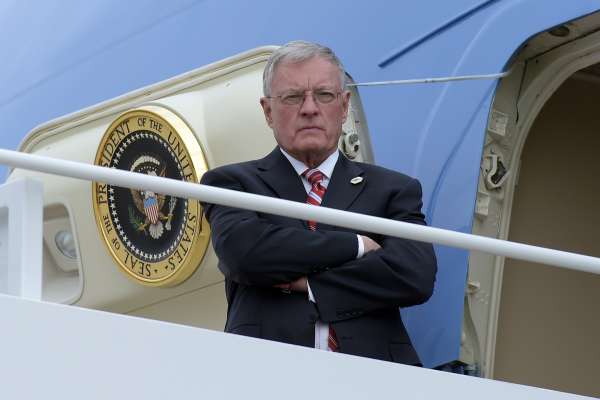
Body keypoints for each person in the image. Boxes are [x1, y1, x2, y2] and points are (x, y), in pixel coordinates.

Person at [200, 40, 437, 365]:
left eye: (323, 95)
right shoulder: (232, 184)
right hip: (263, 372)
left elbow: (414, 274)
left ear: (343, 106)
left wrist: (309, 283)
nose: (309, 108)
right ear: (268, 111)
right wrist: (356, 247)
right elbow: (246, 254)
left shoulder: (393, 189)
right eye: (293, 97)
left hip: (378, 378)